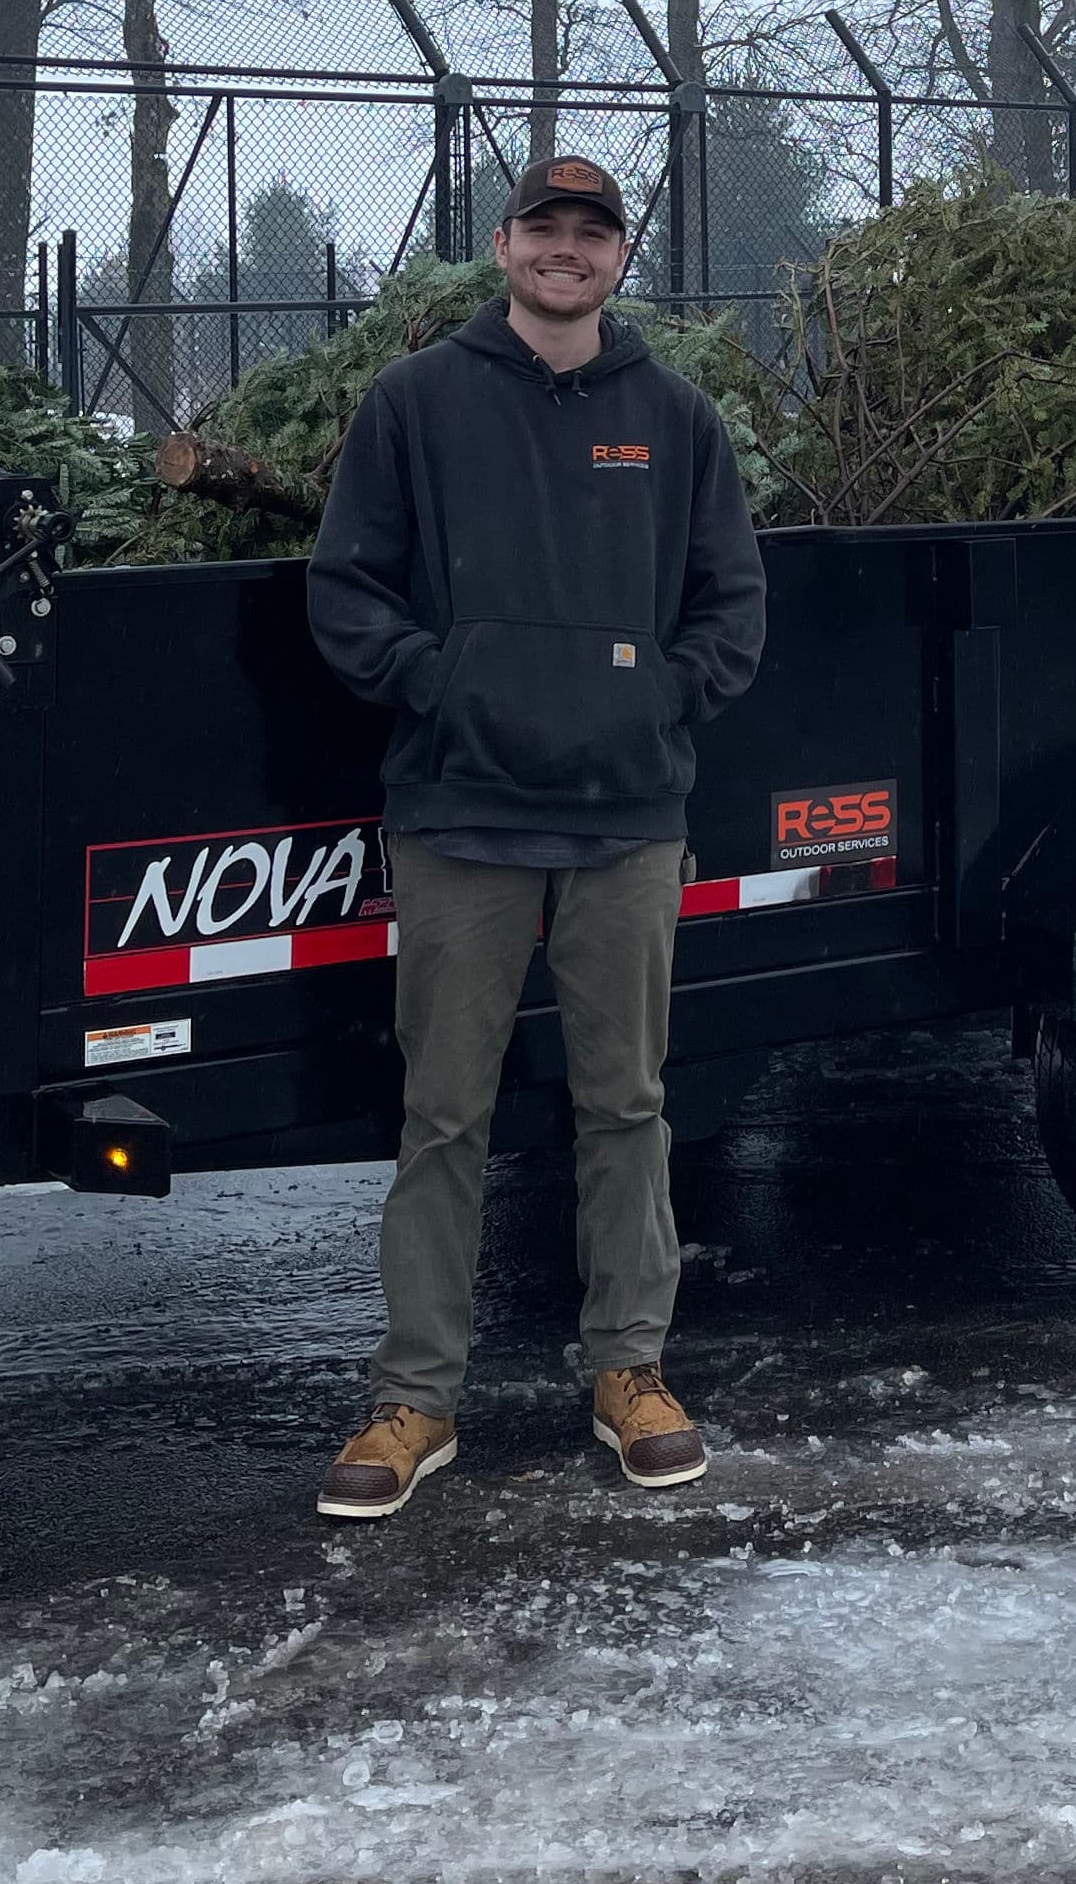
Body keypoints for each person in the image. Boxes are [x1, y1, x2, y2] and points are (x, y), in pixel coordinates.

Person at [303, 156, 766, 1516]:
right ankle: (414, 1401)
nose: (567, 252)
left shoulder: (674, 421)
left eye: (594, 234)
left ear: (621, 262)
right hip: (462, 814)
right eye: (544, 230)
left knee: (626, 1104)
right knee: (444, 1114)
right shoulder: (417, 406)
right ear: (503, 246)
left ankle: (631, 1369)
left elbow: (731, 610)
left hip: (627, 822)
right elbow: (347, 595)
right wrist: (450, 687)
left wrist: (649, 705)